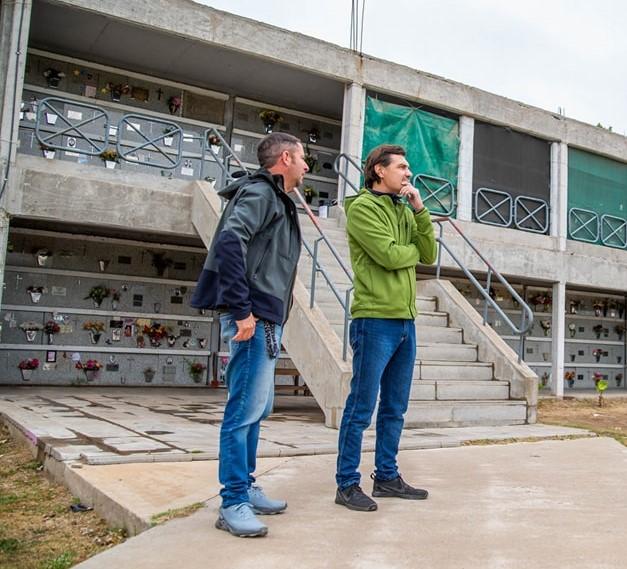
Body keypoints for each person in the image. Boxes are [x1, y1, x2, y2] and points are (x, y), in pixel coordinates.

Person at [191, 132, 308, 537]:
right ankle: (233, 501)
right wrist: (242, 310)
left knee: (256, 410)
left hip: (265, 319)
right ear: (287, 158)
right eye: (304, 159)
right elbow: (228, 244)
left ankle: (247, 485)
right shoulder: (260, 193)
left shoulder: (275, 199)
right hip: (252, 318)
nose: (308, 167)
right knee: (242, 411)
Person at [334, 144, 437, 512]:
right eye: (402, 168)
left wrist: (420, 211)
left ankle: (387, 477)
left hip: (405, 321)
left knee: (395, 407)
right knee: (361, 407)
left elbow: (429, 255)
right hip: (374, 320)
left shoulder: (404, 209)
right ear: (379, 170)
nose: (408, 174)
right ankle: (347, 484)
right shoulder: (362, 208)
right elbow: (391, 256)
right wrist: (404, 251)